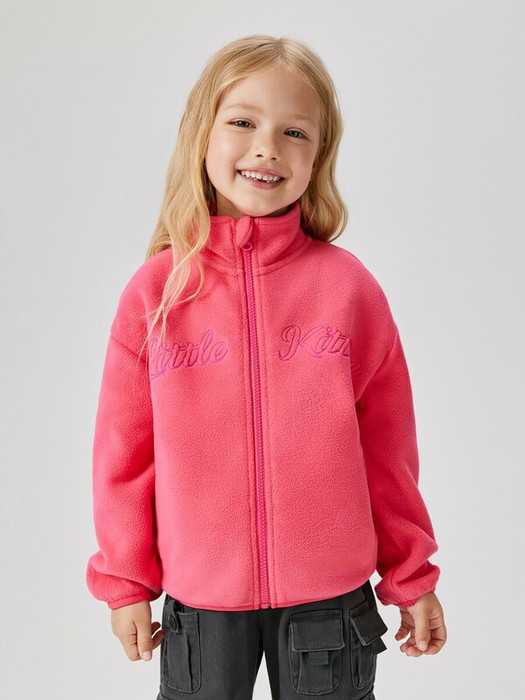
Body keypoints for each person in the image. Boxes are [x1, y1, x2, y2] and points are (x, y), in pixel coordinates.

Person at [86, 33, 447, 700]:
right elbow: (124, 453)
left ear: (319, 156)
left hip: (329, 599)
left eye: (293, 132)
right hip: (202, 599)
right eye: (243, 122)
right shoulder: (157, 292)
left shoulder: (348, 289)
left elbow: (387, 451)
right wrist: (125, 582)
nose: (266, 148)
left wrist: (410, 575)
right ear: (201, 136)